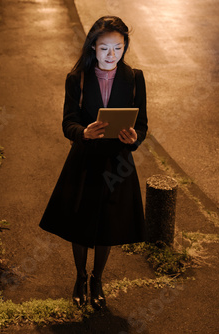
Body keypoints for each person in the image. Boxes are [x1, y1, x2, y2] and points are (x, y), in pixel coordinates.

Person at [39, 16, 148, 310]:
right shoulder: (78, 79)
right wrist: (83, 133)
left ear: (125, 47)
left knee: (108, 225)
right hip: (85, 161)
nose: (111, 55)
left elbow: (143, 125)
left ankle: (97, 279)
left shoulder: (135, 78)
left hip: (117, 163)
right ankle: (80, 277)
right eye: (104, 48)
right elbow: (68, 123)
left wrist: (133, 138)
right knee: (80, 224)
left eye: (118, 48)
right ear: (92, 47)